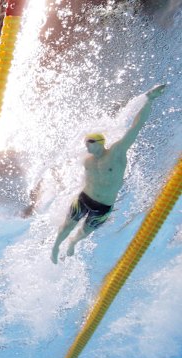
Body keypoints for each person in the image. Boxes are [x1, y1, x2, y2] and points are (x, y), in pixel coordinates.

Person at [51, 84, 166, 264]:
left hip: (103, 206)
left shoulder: (116, 152)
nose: (86, 145)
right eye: (85, 142)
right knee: (66, 226)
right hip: (83, 199)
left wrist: (149, 101)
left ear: (100, 142)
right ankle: (56, 246)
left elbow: (136, 127)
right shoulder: (86, 159)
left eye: (89, 141)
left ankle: (73, 242)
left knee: (84, 232)